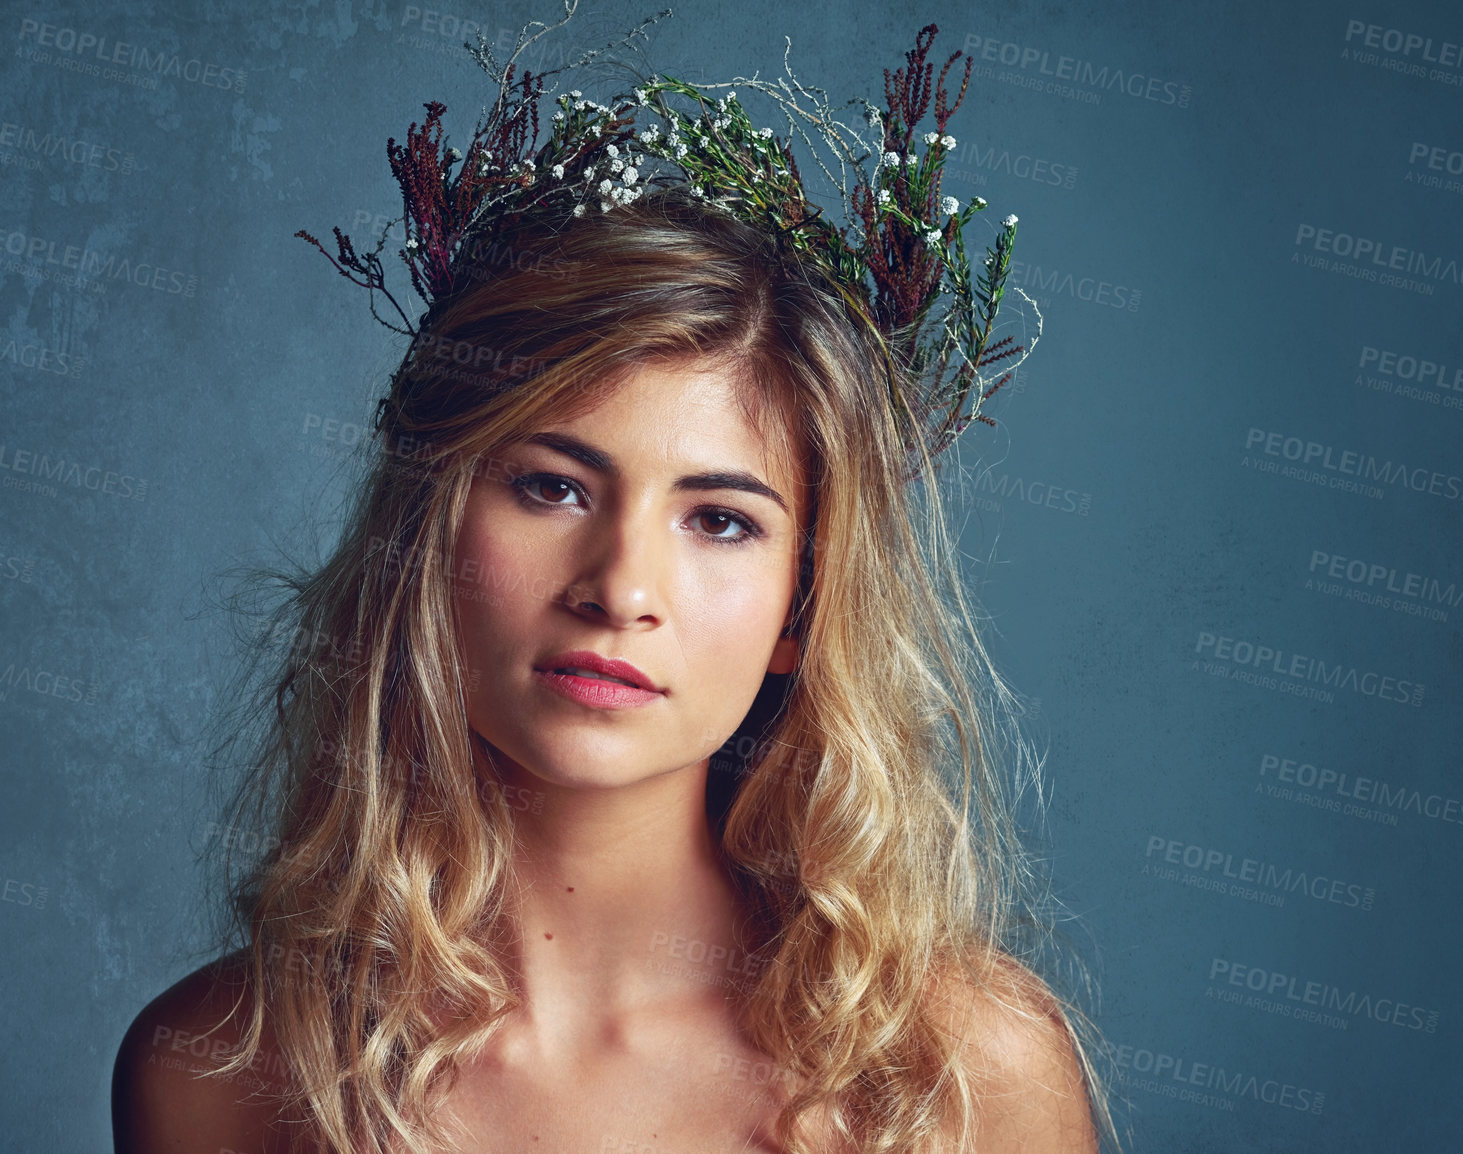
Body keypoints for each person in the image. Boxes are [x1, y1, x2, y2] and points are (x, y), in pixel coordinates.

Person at [112, 15, 1119, 1154]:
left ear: (802, 606)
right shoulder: (217, 1072)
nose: (620, 586)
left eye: (721, 520)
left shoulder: (965, 1068)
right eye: (551, 487)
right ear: (428, 531)